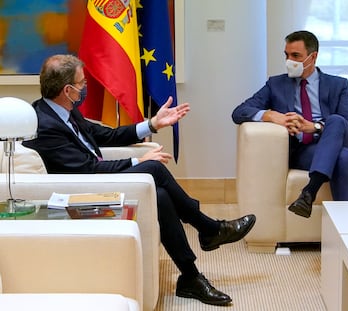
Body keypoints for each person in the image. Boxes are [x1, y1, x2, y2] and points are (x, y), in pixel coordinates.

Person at [23, 54, 256, 306]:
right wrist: (139, 161)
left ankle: (190, 276)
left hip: (96, 182)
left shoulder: (64, 111)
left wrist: (152, 124)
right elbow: (87, 169)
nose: (85, 88)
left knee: (162, 196)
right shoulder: (44, 124)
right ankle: (208, 228)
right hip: (78, 195)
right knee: (153, 168)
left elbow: (106, 135)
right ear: (67, 90)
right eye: (82, 83)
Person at [232, 30, 348, 219]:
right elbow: (239, 112)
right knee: (342, 158)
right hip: (305, 150)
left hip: (339, 138)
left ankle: (310, 190)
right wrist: (271, 115)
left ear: (312, 57)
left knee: (336, 120)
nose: (289, 60)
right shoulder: (276, 84)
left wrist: (314, 127)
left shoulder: (337, 85)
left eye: (296, 56)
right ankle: (345, 224)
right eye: (287, 55)